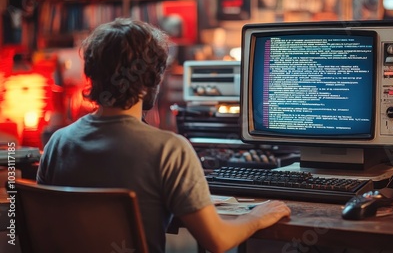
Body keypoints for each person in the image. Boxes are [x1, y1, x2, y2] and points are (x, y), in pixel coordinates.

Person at [37, 18, 291, 253]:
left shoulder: (58, 143)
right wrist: (256, 216)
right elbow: (218, 241)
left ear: (91, 75)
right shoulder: (169, 150)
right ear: (153, 80)